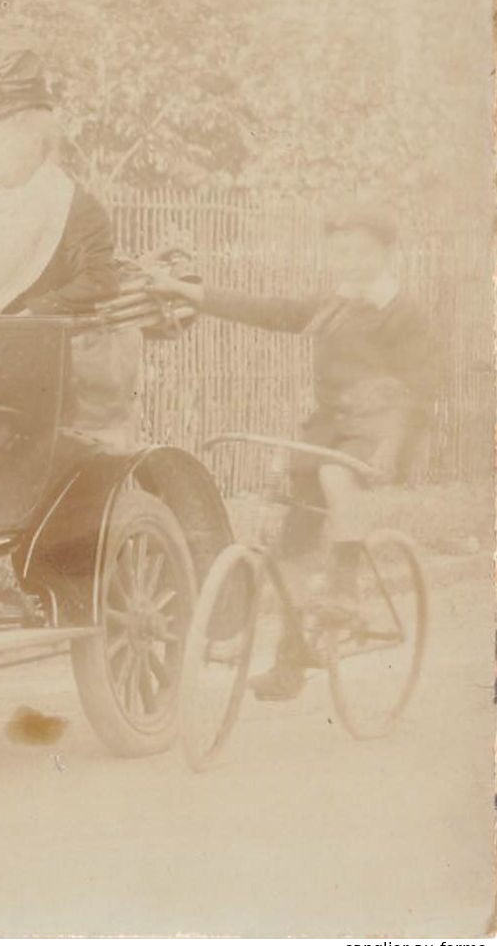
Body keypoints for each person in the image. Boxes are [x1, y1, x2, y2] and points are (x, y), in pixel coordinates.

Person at [144, 196, 433, 700]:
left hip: (382, 429)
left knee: (335, 478)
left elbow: (417, 391)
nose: (350, 262)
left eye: (362, 252)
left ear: (387, 253)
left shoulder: (403, 312)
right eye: (340, 252)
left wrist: (389, 444)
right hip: (326, 431)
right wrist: (190, 292)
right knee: (291, 540)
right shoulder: (333, 305)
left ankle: (343, 584)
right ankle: (292, 658)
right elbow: (272, 312)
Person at [0, 20, 119, 316]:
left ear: (36, 140)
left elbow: (100, 280)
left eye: (1, 137)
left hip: (29, 350)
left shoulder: (72, 206)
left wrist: (36, 313)